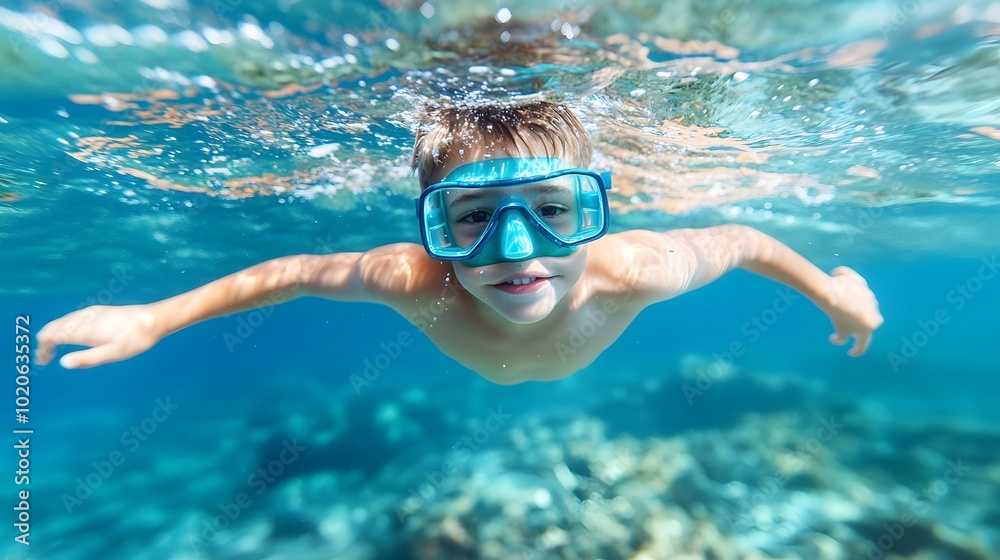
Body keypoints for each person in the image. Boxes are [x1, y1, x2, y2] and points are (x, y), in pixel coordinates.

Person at [36, 101, 883, 384]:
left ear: (600, 212)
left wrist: (831, 291)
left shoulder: (635, 271)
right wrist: (155, 316)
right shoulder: (415, 279)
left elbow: (739, 238)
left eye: (553, 210)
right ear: (433, 229)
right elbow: (287, 273)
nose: (516, 250)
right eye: (472, 218)